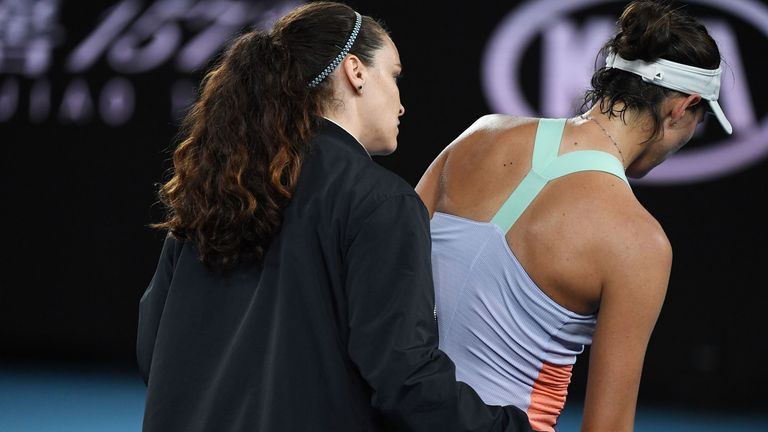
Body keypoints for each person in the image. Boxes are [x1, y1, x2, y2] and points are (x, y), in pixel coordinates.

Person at [137, 2, 532, 431]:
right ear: (356, 71)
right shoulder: (383, 203)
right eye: (394, 75)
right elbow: (404, 381)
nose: (401, 103)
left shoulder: (216, 188)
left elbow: (153, 351)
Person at [415, 1, 732, 431]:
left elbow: (383, 280)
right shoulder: (639, 242)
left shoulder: (479, 135)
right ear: (682, 106)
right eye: (698, 118)